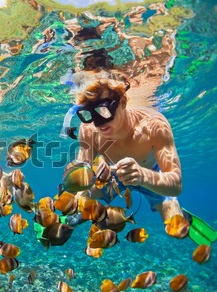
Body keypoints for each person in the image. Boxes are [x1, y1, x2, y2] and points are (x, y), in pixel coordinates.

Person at [60, 69, 189, 238]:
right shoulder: (89, 130)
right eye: (88, 114)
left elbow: (176, 183)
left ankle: (180, 214)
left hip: (151, 173)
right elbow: (83, 174)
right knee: (75, 208)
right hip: (111, 176)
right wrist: (76, 202)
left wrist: (142, 176)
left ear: (123, 102)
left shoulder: (154, 125)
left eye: (103, 110)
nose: (98, 123)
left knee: (176, 230)